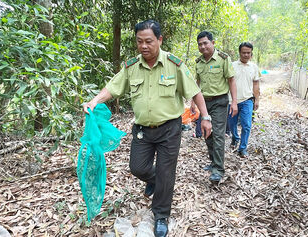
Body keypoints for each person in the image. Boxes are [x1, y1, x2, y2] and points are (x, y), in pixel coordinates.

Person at [83, 20, 212, 237]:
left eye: (149, 41)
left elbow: (194, 91)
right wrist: (94, 101)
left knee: (166, 171)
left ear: (159, 40)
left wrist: (205, 117)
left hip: (170, 128)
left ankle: (161, 215)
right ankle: (154, 180)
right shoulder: (131, 67)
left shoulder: (175, 64)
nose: (144, 46)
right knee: (138, 167)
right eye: (139, 42)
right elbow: (112, 88)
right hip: (143, 130)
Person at [191, 31, 238, 182]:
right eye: (200, 44)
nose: (203, 46)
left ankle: (218, 169)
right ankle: (213, 162)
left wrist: (234, 102)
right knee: (207, 133)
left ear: (213, 43)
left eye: (205, 43)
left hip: (220, 101)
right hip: (204, 103)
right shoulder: (198, 62)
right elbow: (196, 84)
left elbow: (231, 80)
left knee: (218, 134)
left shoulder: (223, 58)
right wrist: (193, 102)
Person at [228, 42, 260, 158]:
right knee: (232, 124)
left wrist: (257, 100)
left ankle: (242, 148)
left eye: (248, 53)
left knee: (246, 125)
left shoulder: (254, 67)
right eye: (244, 53)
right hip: (232, 101)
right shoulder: (231, 65)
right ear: (239, 53)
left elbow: (256, 84)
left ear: (251, 53)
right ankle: (235, 137)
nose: (246, 55)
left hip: (247, 100)